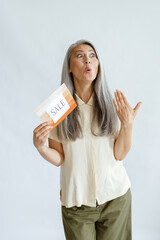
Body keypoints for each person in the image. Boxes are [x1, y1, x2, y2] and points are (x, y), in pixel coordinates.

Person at [33, 39, 142, 240]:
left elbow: (119, 153)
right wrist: (41, 147)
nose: (88, 61)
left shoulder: (111, 103)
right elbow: (59, 157)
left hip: (115, 199)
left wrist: (128, 125)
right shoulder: (57, 107)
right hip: (77, 205)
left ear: (98, 65)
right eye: (80, 56)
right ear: (69, 67)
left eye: (92, 55)